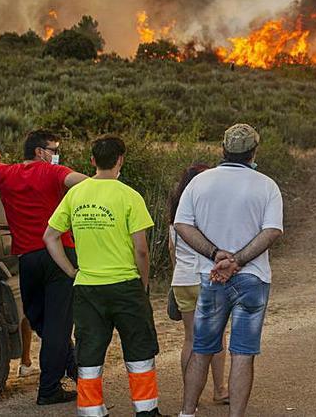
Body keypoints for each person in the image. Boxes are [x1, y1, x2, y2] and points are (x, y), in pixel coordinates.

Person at [44, 134, 161, 417]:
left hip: (88, 287)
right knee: (140, 351)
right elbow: (141, 250)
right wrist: (142, 285)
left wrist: (73, 271)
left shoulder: (75, 194)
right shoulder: (129, 196)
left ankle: (92, 411)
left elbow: (50, 237)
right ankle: (146, 411)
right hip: (125, 285)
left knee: (89, 354)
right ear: (120, 160)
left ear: (93, 160)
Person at [174, 124, 284, 417]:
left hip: (212, 276)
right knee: (243, 352)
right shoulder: (266, 185)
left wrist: (214, 253)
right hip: (253, 278)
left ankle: (187, 412)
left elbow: (182, 224)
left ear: (222, 149)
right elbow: (272, 230)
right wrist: (239, 260)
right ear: (253, 152)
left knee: (202, 346)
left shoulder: (200, 182)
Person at [0, 130, 88, 405]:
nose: (56, 153)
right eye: (53, 148)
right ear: (39, 151)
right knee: (57, 325)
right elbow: (83, 183)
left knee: (42, 322)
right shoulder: (53, 172)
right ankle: (49, 389)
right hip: (59, 254)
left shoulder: (6, 174)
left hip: (28, 259)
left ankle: (76, 372)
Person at [168, 164, 229, 406]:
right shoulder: (208, 216)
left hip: (182, 280)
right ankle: (220, 389)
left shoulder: (175, 220)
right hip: (207, 280)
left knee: (190, 340)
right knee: (217, 338)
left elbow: (173, 254)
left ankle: (190, 394)